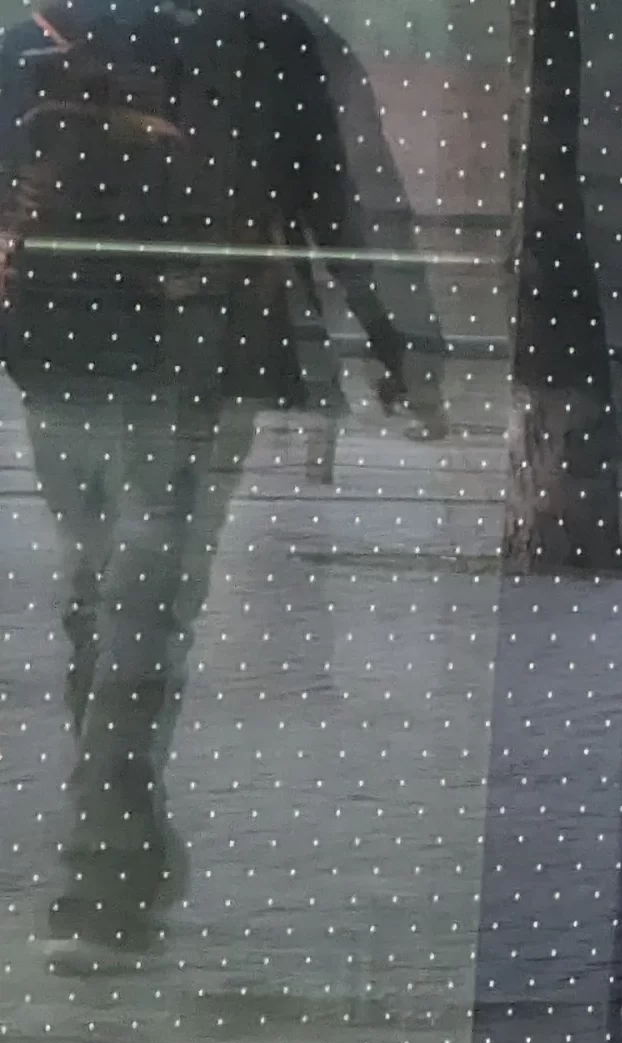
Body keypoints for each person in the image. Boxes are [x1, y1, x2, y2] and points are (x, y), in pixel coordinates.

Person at [0, 0, 446, 971]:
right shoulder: (271, 34)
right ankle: (107, 847)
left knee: (100, 584)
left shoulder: (37, 29)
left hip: (56, 340)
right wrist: (397, 340)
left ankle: (110, 833)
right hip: (197, 340)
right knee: (147, 593)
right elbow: (336, 195)